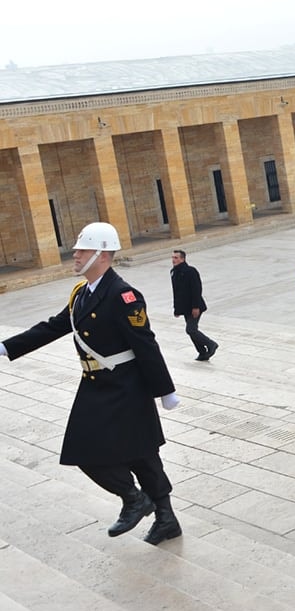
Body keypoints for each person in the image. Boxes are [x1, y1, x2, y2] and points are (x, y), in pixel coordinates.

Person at [1, 222, 182, 545]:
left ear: (102, 255)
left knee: (142, 453)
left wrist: (165, 391)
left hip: (127, 386)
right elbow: (54, 326)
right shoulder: (81, 294)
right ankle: (137, 499)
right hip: (95, 385)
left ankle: (159, 514)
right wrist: (6, 347)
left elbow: (145, 344)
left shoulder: (123, 295)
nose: (75, 254)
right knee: (83, 449)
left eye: (82, 250)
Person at [170, 249, 218, 361]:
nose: (173, 260)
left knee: (191, 329)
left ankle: (211, 344)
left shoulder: (191, 271)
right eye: (172, 257)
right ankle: (202, 352)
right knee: (192, 330)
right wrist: (177, 309)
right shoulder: (173, 272)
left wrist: (195, 307)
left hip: (194, 307)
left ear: (182, 259)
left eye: (176, 258)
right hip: (185, 308)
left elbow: (197, 289)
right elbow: (176, 292)